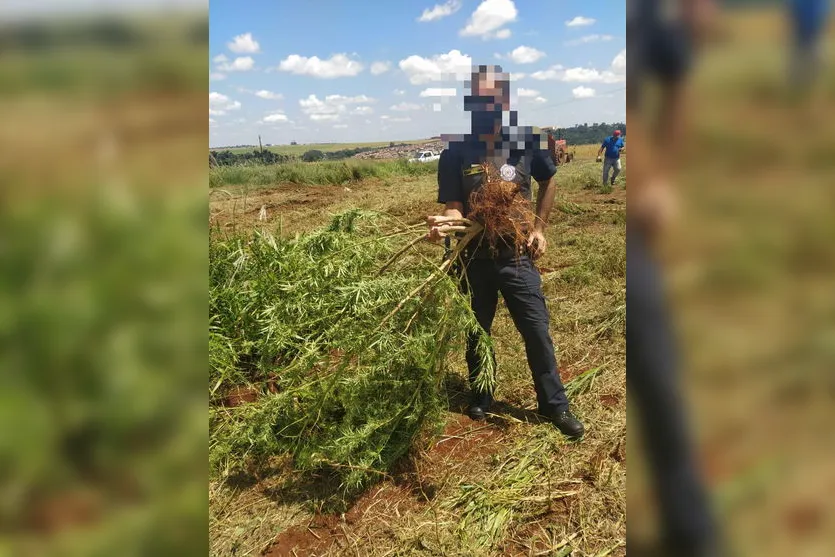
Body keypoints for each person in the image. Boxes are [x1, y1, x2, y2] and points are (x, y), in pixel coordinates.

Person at [425, 65, 584, 439]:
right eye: (479, 100)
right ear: (470, 103)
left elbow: (548, 183)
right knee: (477, 331)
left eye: (493, 99)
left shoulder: (529, 140)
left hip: (516, 255)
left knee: (536, 330)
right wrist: (447, 224)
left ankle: (554, 405)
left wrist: (540, 230)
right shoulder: (455, 153)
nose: (486, 107)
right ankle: (482, 393)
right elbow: (454, 206)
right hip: (473, 258)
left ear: (505, 101)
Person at [627, 1, 722, 556]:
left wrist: (664, 176)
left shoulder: (643, 19)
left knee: (660, 377)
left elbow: (681, 77)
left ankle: (694, 531)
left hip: (637, 231)